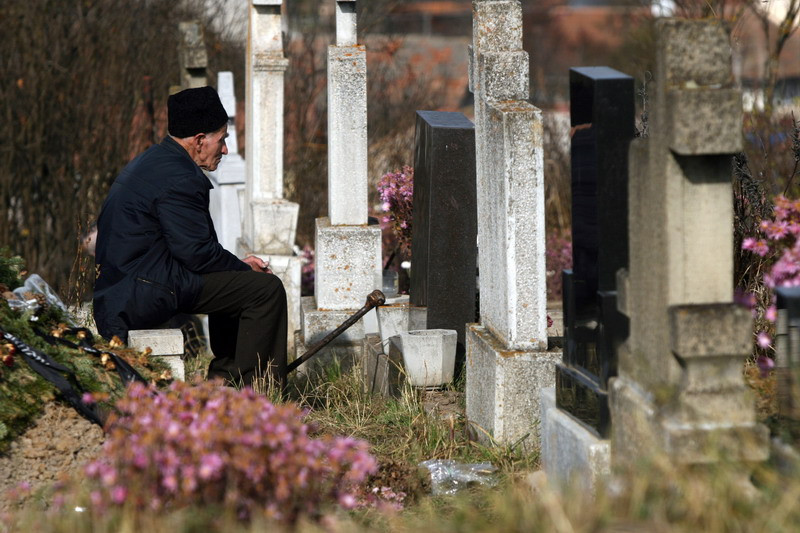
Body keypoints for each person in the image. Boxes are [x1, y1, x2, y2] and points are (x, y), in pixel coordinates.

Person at [93, 86, 287, 388]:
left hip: (129, 285)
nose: (224, 149)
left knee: (237, 282)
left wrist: (236, 267)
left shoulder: (156, 160)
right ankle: (256, 394)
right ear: (199, 140)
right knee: (266, 290)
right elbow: (196, 253)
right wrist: (242, 267)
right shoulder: (181, 178)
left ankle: (225, 379)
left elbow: (193, 251)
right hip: (143, 290)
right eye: (221, 139)